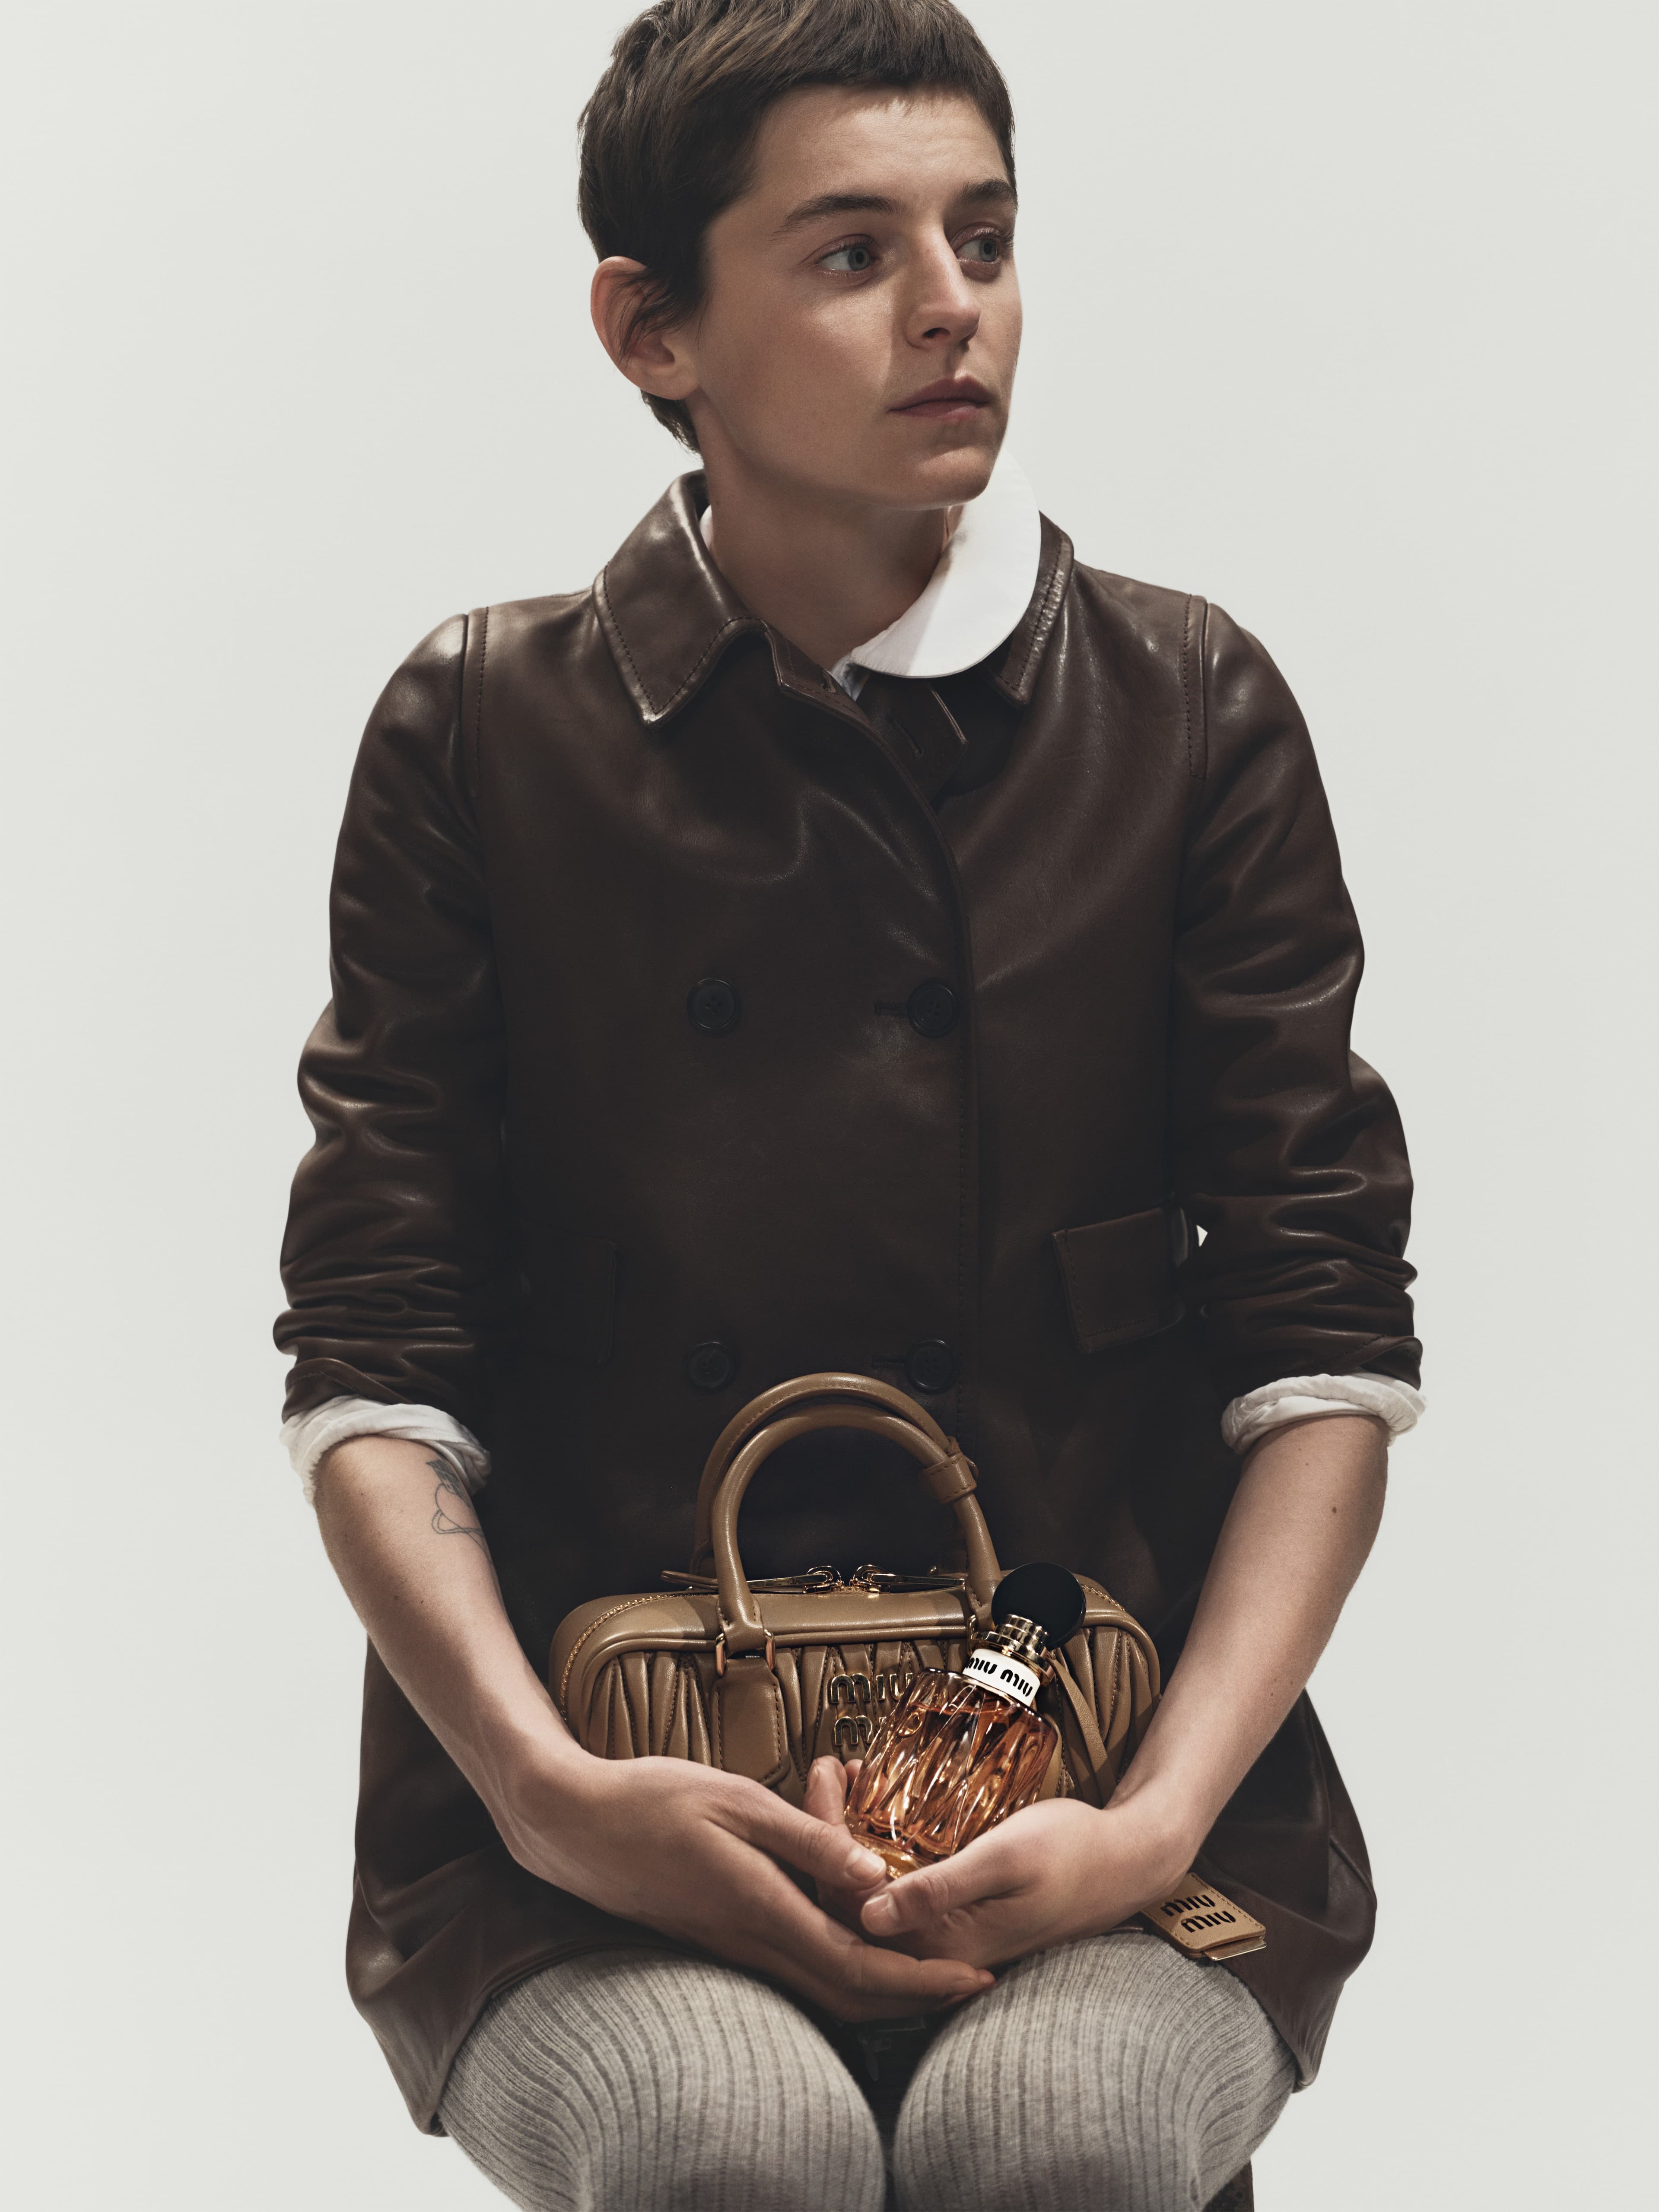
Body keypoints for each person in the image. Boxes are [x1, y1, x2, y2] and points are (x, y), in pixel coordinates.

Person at [275, 3, 1423, 2206]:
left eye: (984, 238)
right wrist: (541, 1791)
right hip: (592, 1788)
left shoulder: (1188, 708)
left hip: (1109, 1754)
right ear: (653, 330)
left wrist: (1159, 1817)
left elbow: (1322, 1342)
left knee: (1054, 2132)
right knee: (732, 2141)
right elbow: (375, 1360)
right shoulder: (480, 729)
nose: (949, 306)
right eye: (850, 253)